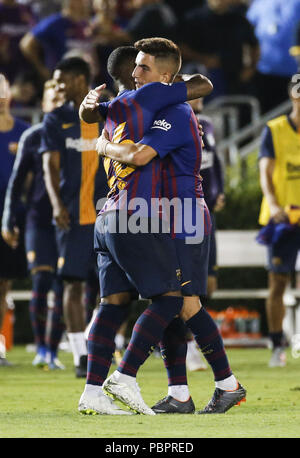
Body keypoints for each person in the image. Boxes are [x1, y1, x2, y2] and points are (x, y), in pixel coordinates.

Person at [93, 38, 246, 415]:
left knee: (184, 303)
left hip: (186, 216)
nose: (135, 74)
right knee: (175, 304)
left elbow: (141, 155)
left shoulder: (175, 112)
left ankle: (226, 385)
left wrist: (103, 146)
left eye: (143, 68)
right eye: (135, 67)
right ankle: (181, 392)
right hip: (165, 216)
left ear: (167, 76)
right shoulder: (153, 108)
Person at [39, 57, 109, 378]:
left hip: (111, 215)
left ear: (81, 79)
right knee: (71, 283)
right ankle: (82, 356)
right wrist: (56, 204)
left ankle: (101, 344)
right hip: (73, 216)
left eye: (63, 80)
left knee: (112, 288)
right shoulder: (55, 119)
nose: (59, 87)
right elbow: (50, 168)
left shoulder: (108, 111)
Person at [2, 79, 66, 370]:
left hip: (70, 223)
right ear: (43, 105)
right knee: (41, 281)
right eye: (51, 100)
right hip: (37, 220)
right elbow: (17, 184)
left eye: (61, 99)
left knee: (66, 286)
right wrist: (9, 219)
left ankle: (55, 349)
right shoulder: (33, 136)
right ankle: (42, 348)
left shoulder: (79, 133)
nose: (56, 105)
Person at [257, 77, 300, 367]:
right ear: (291, 95)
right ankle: (276, 344)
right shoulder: (275, 129)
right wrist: (273, 205)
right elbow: (265, 172)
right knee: (278, 281)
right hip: (283, 219)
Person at [0, 74, 29, 366]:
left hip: (12, 216)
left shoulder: (24, 133)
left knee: (3, 284)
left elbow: (34, 177)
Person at [179, 0, 259, 100]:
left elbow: (254, 45)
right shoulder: (193, 18)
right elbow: (182, 48)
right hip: (204, 78)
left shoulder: (239, 19)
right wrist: (205, 60)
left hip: (236, 78)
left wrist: (250, 68)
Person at [19, 0, 93, 82]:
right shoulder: (55, 23)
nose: (87, 2)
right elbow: (26, 44)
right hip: (61, 81)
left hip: (82, 80)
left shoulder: (84, 24)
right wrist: (41, 69)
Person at [247, 0, 300, 114]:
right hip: (263, 74)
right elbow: (247, 33)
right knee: (266, 119)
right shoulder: (259, 3)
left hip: (294, 75)